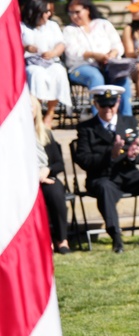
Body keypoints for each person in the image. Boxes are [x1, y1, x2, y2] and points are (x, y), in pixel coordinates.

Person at [74, 85, 139, 251]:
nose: (108, 109)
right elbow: (83, 159)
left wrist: (134, 155)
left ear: (118, 103)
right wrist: (109, 155)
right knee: (105, 188)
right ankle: (116, 237)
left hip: (127, 173)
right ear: (95, 104)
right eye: (103, 105)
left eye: (111, 104)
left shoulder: (129, 121)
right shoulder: (86, 128)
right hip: (102, 177)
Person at [63, 0, 134, 116]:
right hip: (81, 67)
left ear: (87, 10)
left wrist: (112, 54)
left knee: (122, 78)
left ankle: (127, 119)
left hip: (108, 64)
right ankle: (99, 119)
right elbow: (72, 52)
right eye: (71, 13)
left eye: (77, 12)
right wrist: (94, 55)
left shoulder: (103, 24)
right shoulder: (69, 30)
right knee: (96, 78)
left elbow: (117, 45)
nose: (74, 16)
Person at [21, 0, 72, 127]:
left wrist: (53, 53)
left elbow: (61, 44)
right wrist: (27, 47)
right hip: (30, 63)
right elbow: (14, 47)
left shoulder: (52, 26)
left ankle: (50, 113)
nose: (48, 15)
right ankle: (36, 114)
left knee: (59, 72)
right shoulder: (22, 26)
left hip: (50, 61)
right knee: (37, 75)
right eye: (45, 12)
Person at [33, 99, 70, 254]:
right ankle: (42, 240)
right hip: (25, 181)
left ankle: (62, 239)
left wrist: (47, 170)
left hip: (47, 178)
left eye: (31, 107)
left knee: (55, 192)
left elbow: (59, 164)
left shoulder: (45, 133)